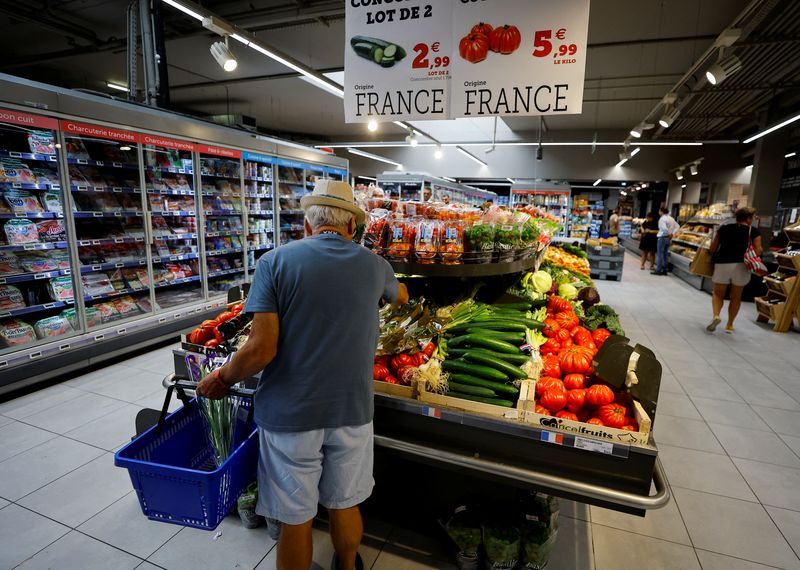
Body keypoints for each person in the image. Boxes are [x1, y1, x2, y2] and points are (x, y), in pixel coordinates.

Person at [197, 180, 409, 570]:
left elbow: (261, 349)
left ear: (307, 225)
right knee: (345, 503)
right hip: (352, 409)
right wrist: (379, 289)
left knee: (296, 517)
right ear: (352, 227)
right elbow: (403, 297)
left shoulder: (274, 263)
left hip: (291, 413)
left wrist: (222, 378)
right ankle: (346, 566)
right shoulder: (375, 265)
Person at [706, 207, 762, 333]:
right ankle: (730, 324)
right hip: (742, 265)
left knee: (718, 293)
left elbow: (713, 248)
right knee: (736, 296)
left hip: (722, 263)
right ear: (748, 218)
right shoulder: (753, 231)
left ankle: (716, 316)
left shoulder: (724, 229)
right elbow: (759, 250)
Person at [653, 206, 679, 275]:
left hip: (662, 237)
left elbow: (664, 229)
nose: (659, 212)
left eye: (659, 211)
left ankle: (658, 270)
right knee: (665, 254)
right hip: (668, 239)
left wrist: (669, 234)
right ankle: (664, 270)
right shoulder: (671, 219)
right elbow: (677, 226)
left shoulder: (662, 219)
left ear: (661, 211)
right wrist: (672, 234)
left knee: (660, 254)